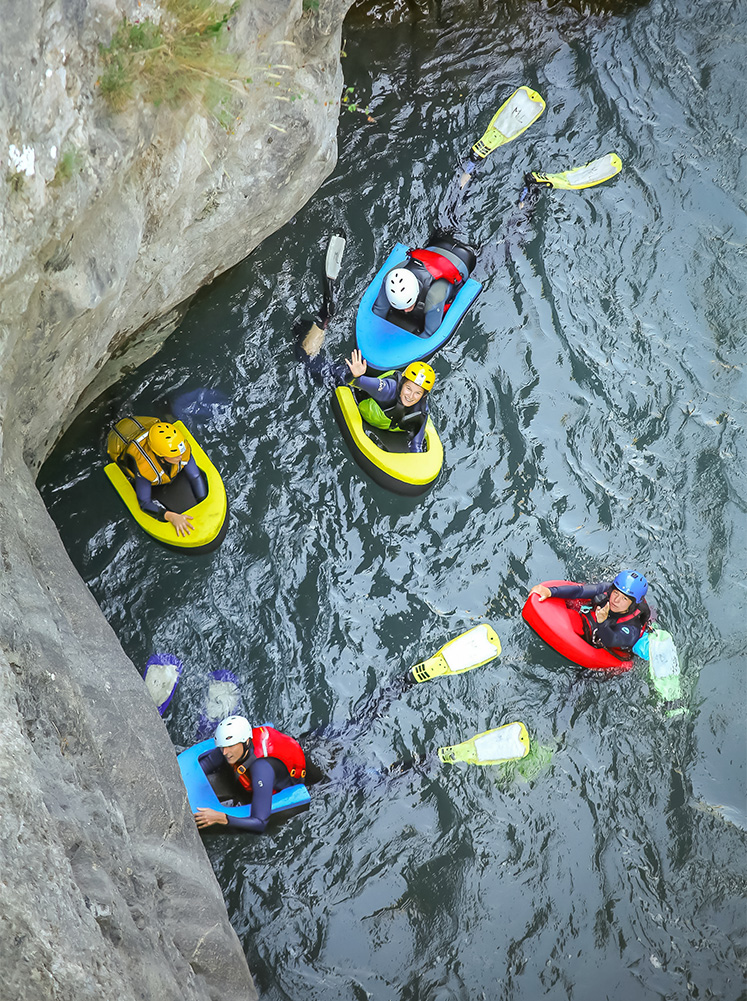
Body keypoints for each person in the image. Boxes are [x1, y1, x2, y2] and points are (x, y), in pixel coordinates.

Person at [194, 715, 307, 834]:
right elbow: (207, 763)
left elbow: (260, 823)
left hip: (289, 780)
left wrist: (222, 818)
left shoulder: (261, 769)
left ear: (247, 742)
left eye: (230, 746)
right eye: (222, 747)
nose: (225, 752)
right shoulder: (235, 744)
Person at [109, 417, 207, 537]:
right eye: (175, 455)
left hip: (141, 425)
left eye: (180, 452)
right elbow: (144, 503)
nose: (180, 457)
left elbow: (195, 476)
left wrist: (203, 502)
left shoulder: (179, 447)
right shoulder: (144, 467)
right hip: (119, 440)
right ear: (161, 457)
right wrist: (171, 516)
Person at [529, 570, 651, 660]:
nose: (616, 600)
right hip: (595, 625)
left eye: (624, 598)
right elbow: (580, 591)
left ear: (633, 604)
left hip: (609, 649)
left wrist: (602, 622)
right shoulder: (606, 589)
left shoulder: (631, 629)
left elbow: (612, 640)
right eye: (616, 593)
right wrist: (550, 591)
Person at [371, 241, 472, 337]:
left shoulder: (434, 296)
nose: (405, 311)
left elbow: (429, 333)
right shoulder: (392, 278)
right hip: (435, 244)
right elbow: (379, 309)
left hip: (466, 255)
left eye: (408, 306)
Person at [345, 349, 435, 453]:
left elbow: (417, 445)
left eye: (418, 393)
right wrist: (355, 376)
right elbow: (354, 382)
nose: (410, 396)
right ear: (402, 384)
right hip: (366, 411)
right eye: (408, 388)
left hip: (388, 426)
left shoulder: (421, 411)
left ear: (424, 396)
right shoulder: (387, 389)